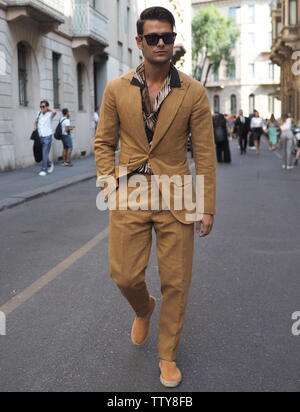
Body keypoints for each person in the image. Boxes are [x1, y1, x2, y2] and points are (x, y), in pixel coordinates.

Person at [94, 6, 216, 388]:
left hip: (177, 194)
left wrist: (206, 205)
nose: (161, 43)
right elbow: (103, 142)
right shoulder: (116, 89)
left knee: (176, 282)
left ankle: (168, 356)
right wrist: (107, 181)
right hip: (130, 192)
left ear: (173, 40)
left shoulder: (193, 92)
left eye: (167, 36)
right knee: (124, 273)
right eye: (153, 37)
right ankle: (143, 307)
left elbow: (206, 153)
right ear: (139, 42)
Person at [34, 100, 57, 176]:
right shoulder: (38, 113)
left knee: (44, 153)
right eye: (40, 106)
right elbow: (36, 122)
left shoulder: (50, 114)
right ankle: (49, 164)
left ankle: (44, 169)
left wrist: (48, 109)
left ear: (47, 107)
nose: (41, 108)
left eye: (43, 106)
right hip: (40, 136)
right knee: (43, 153)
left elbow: (55, 112)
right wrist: (35, 129)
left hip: (47, 136)